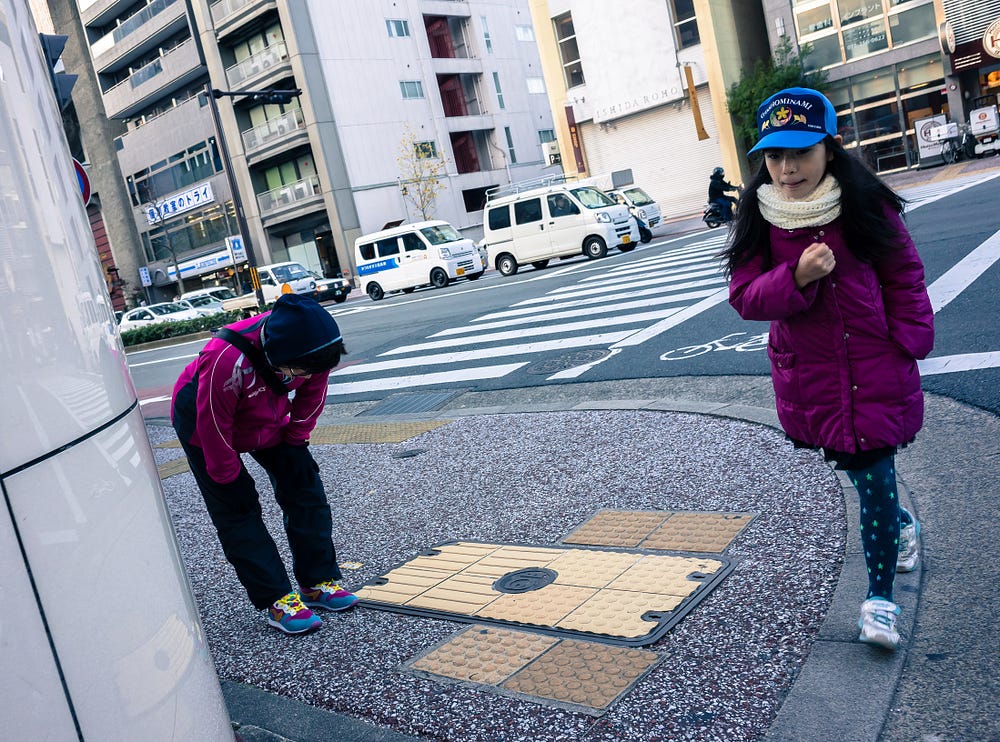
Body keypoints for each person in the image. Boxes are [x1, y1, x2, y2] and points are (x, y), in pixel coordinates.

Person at [721, 87, 934, 650]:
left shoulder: (864, 203)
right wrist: (797, 277)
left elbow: (903, 274)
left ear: (830, 148)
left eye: (801, 152)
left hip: (874, 362)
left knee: (875, 474)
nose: (787, 168)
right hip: (812, 376)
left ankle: (880, 601)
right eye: (774, 155)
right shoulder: (760, 216)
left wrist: (909, 339)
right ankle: (901, 525)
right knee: (861, 473)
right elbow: (744, 297)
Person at [171, 293, 357, 635]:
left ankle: (316, 582)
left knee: (304, 486)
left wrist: (296, 439)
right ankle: (276, 598)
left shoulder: (314, 350)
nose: (308, 376)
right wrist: (228, 476)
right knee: (238, 508)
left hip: (264, 413)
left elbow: (311, 396)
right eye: (300, 371)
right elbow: (213, 423)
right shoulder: (225, 358)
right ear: (277, 355)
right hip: (204, 420)